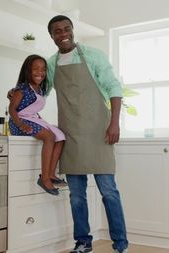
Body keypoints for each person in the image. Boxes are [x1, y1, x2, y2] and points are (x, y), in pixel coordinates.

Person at [46, 15, 128, 253]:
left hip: (100, 132)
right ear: (52, 36)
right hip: (70, 134)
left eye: (66, 29)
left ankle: (120, 244)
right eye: (57, 31)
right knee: (76, 196)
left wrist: (114, 124)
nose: (63, 34)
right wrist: (19, 94)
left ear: (72, 30)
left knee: (109, 192)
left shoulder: (93, 56)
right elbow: (42, 92)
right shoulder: (52, 64)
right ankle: (83, 242)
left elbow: (114, 87)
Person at [8, 54, 67, 196]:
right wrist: (20, 124)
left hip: (33, 119)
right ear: (28, 70)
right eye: (36, 69)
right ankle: (44, 178)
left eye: (43, 70)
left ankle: (51, 174)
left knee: (60, 136)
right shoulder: (22, 89)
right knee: (49, 137)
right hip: (19, 121)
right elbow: (12, 109)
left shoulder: (40, 89)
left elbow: (33, 109)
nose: (40, 73)